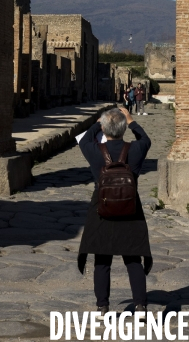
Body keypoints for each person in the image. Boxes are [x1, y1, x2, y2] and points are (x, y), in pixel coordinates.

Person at [77, 107, 152, 316]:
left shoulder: (93, 150)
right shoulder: (136, 150)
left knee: (102, 259)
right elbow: (145, 139)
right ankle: (140, 306)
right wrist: (130, 120)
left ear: (104, 128)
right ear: (123, 128)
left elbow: (84, 139)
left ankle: (102, 305)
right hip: (130, 208)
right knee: (133, 259)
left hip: (102, 207)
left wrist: (98, 124)